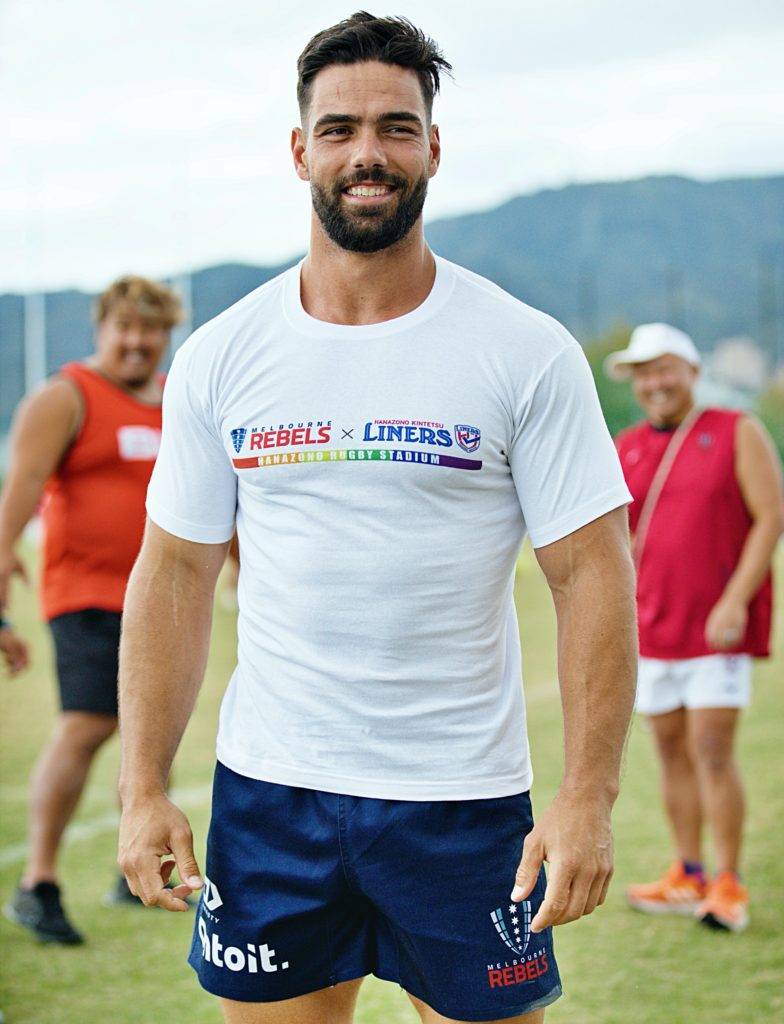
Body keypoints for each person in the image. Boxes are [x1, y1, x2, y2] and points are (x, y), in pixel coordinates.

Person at [117, 13, 637, 1024]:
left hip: (462, 802)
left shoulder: (523, 349)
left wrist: (588, 795)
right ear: (299, 149)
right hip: (271, 798)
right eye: (341, 128)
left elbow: (592, 573)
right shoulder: (222, 355)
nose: (369, 153)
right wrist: (143, 786)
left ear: (434, 147)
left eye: (397, 127)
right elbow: (175, 571)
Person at [0, 275, 182, 944]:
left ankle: (135, 868)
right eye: (124, 327)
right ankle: (37, 884)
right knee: (85, 726)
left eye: (150, 329)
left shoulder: (176, 400)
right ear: (102, 329)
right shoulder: (66, 397)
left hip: (158, 598)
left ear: (166, 335)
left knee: (152, 730)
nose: (137, 341)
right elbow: (20, 488)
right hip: (85, 595)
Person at [606, 323, 784, 933]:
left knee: (712, 750)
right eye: (643, 373)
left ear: (691, 371)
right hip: (651, 626)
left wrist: (736, 601)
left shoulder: (736, 429)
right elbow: (619, 535)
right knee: (668, 750)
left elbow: (771, 517)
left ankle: (728, 883)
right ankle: (688, 872)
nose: (654, 383)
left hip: (715, 630)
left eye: (665, 369)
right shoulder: (627, 446)